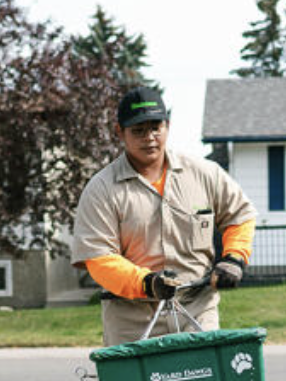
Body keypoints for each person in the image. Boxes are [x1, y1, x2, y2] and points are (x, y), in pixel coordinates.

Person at [72, 86, 257, 346]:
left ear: (167, 126)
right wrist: (147, 283)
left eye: (155, 127)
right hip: (131, 323)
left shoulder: (205, 174)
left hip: (196, 311)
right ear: (119, 133)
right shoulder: (102, 189)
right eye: (138, 130)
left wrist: (233, 259)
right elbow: (99, 259)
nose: (149, 137)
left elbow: (240, 215)